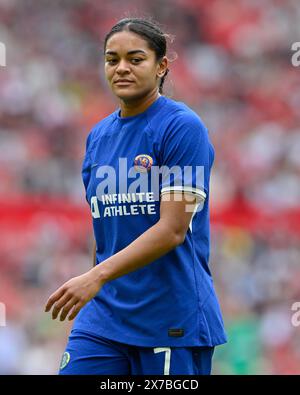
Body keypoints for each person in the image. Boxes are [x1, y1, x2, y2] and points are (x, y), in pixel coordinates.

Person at [45, 17, 227, 375]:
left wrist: (95, 276)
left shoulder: (181, 127)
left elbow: (173, 230)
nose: (122, 68)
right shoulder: (98, 136)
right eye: (112, 60)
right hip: (105, 318)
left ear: (161, 66)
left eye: (135, 58)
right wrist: (99, 280)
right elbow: (106, 232)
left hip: (170, 317)